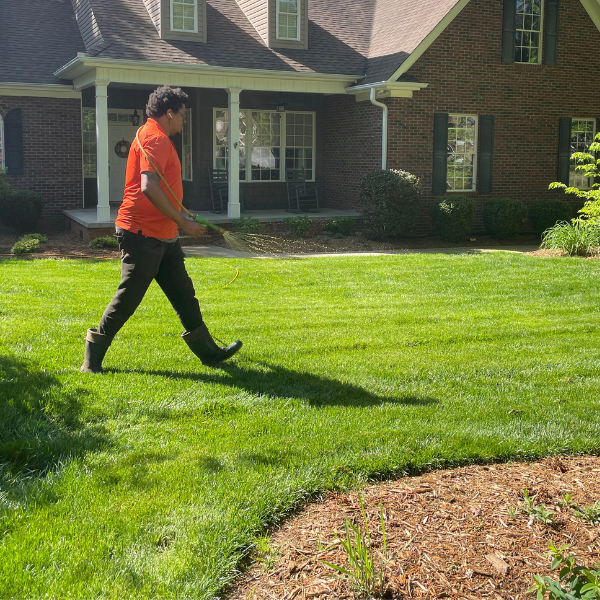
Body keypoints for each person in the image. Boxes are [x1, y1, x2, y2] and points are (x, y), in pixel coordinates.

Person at [81, 86, 242, 374]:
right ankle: (91, 360)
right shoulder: (156, 138)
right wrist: (183, 222)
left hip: (163, 236)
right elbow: (149, 186)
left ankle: (210, 353)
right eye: (182, 115)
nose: (184, 121)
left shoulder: (149, 134)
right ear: (169, 114)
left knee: (183, 293)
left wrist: (181, 214)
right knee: (128, 299)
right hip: (143, 235)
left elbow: (162, 188)